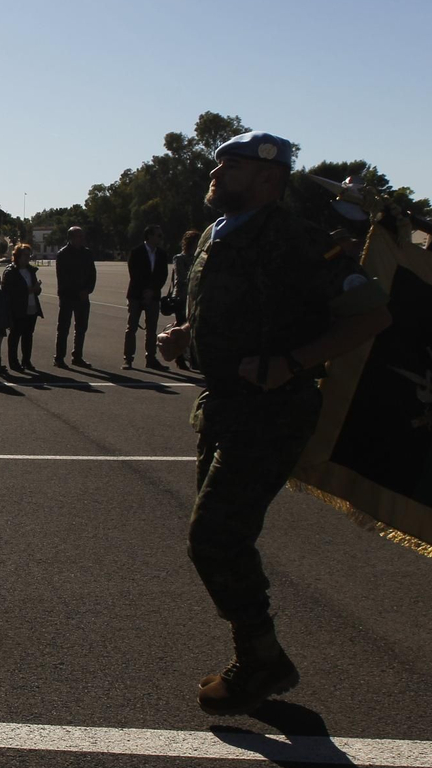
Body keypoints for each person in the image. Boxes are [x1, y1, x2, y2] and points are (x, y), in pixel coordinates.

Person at [156, 131, 390, 715]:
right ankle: (260, 655)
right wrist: (189, 337)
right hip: (223, 407)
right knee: (220, 539)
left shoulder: (297, 239)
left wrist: (290, 364)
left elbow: (369, 317)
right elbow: (232, 311)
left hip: (271, 414)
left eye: (228, 166)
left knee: (215, 538)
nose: (215, 174)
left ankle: (261, 659)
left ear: (268, 177)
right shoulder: (214, 234)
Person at [124, 225, 169, 371]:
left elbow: (163, 275)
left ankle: (151, 358)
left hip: (153, 296)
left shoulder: (161, 254)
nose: (160, 238)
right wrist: (144, 291)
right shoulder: (136, 252)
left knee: (152, 329)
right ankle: (128, 359)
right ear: (149, 236)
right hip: (136, 295)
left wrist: (152, 290)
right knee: (132, 328)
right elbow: (134, 273)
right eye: (158, 235)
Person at [53, 225, 96, 367]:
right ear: (71, 238)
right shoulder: (63, 254)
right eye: (79, 236)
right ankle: (59, 357)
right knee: (63, 328)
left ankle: (77, 356)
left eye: (82, 236)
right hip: (67, 296)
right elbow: (63, 277)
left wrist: (88, 290)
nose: (82, 238)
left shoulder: (87, 254)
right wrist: (77, 291)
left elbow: (92, 274)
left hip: (83, 297)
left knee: (81, 328)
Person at [1, 243, 42, 373]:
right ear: (17, 256)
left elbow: (35, 290)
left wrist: (37, 289)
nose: (27, 258)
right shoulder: (10, 271)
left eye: (28, 255)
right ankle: (14, 361)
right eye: (24, 255)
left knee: (28, 336)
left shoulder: (31, 270)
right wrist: (30, 290)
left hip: (31, 307)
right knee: (15, 336)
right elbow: (8, 291)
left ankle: (26, 360)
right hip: (17, 308)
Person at [168, 229, 201, 371]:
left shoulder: (199, 258)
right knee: (181, 327)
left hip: (195, 297)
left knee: (194, 328)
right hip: (182, 297)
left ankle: (193, 358)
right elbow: (180, 277)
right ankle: (179, 358)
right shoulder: (179, 258)